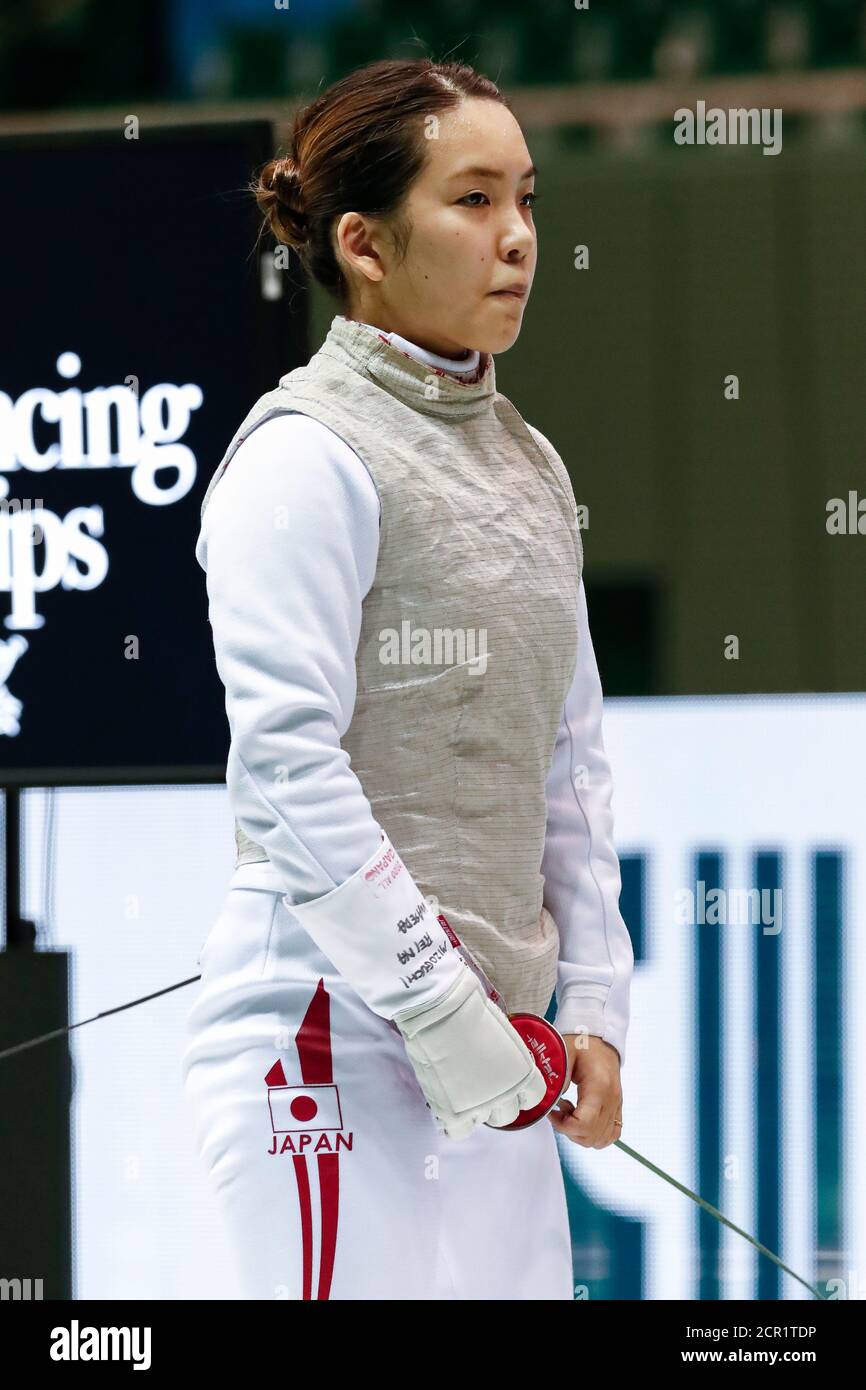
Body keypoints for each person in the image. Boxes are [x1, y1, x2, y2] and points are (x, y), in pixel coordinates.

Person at [181, 56, 634, 1301]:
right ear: (364, 243)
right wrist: (437, 1007)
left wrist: (589, 1002)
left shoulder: (530, 469)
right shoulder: (304, 456)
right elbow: (287, 766)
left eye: (527, 200)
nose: (518, 239)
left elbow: (570, 762)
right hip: (326, 1047)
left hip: (497, 1062)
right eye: (473, 201)